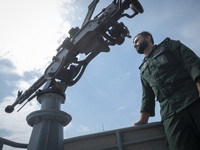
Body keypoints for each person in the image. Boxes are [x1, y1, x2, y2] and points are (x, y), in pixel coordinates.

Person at [133, 31, 200, 150]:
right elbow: (147, 96)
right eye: (134, 43)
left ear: (148, 38)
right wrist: (144, 119)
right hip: (170, 114)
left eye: (137, 40)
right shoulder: (143, 70)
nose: (134, 44)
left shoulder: (168, 46)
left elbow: (192, 62)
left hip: (193, 99)